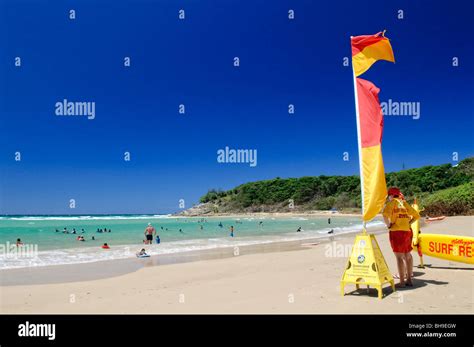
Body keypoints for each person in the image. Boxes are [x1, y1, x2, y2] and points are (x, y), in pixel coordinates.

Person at [382, 187, 420, 288]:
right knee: (407, 255)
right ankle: (409, 280)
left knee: (399, 257)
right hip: (407, 231)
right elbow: (416, 216)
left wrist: (389, 225)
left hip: (396, 232)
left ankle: (402, 282)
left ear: (390, 195)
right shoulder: (404, 203)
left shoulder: (392, 203)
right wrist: (409, 223)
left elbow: (384, 215)